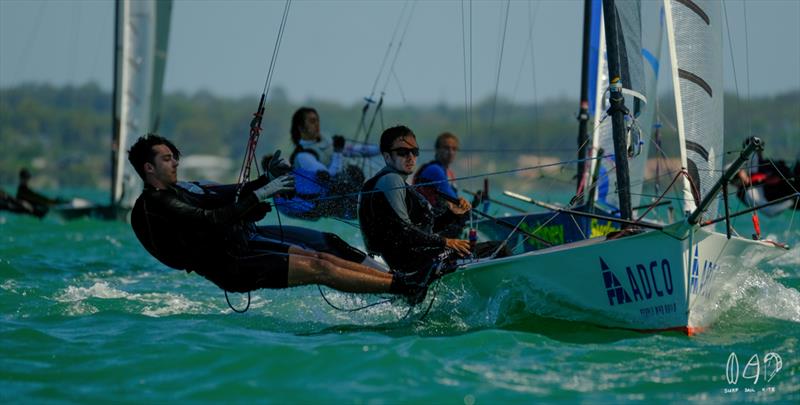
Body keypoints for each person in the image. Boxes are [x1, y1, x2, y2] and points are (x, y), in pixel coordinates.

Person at [127, 133, 421, 299]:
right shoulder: (157, 204)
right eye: (167, 159)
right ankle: (403, 287)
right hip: (233, 266)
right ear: (148, 168)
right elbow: (210, 220)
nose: (175, 162)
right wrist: (261, 194)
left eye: (174, 156)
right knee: (321, 269)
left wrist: (266, 179)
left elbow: (231, 194)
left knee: (323, 258)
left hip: (243, 246)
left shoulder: (181, 188)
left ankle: (397, 281)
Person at [359, 125, 477, 290]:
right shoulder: (391, 180)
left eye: (414, 152)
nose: (410, 157)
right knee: (498, 250)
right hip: (417, 265)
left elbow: (423, 230)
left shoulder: (391, 181)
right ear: (387, 156)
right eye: (402, 152)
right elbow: (406, 232)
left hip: (414, 262)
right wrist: (446, 241)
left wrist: (452, 214)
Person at [282, 107, 380, 219]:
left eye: (317, 120)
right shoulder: (303, 156)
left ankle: (369, 205)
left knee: (354, 172)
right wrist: (337, 152)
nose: (317, 124)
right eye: (312, 121)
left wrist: (382, 149)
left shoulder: (325, 141)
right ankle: (364, 210)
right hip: (329, 200)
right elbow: (329, 176)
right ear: (301, 128)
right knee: (343, 180)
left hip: (348, 193)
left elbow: (354, 150)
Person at [413, 132, 473, 238]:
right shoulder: (434, 170)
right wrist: (471, 206)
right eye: (446, 148)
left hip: (441, 221)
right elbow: (455, 201)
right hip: (431, 224)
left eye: (454, 149)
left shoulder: (449, 173)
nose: (450, 152)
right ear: (437, 150)